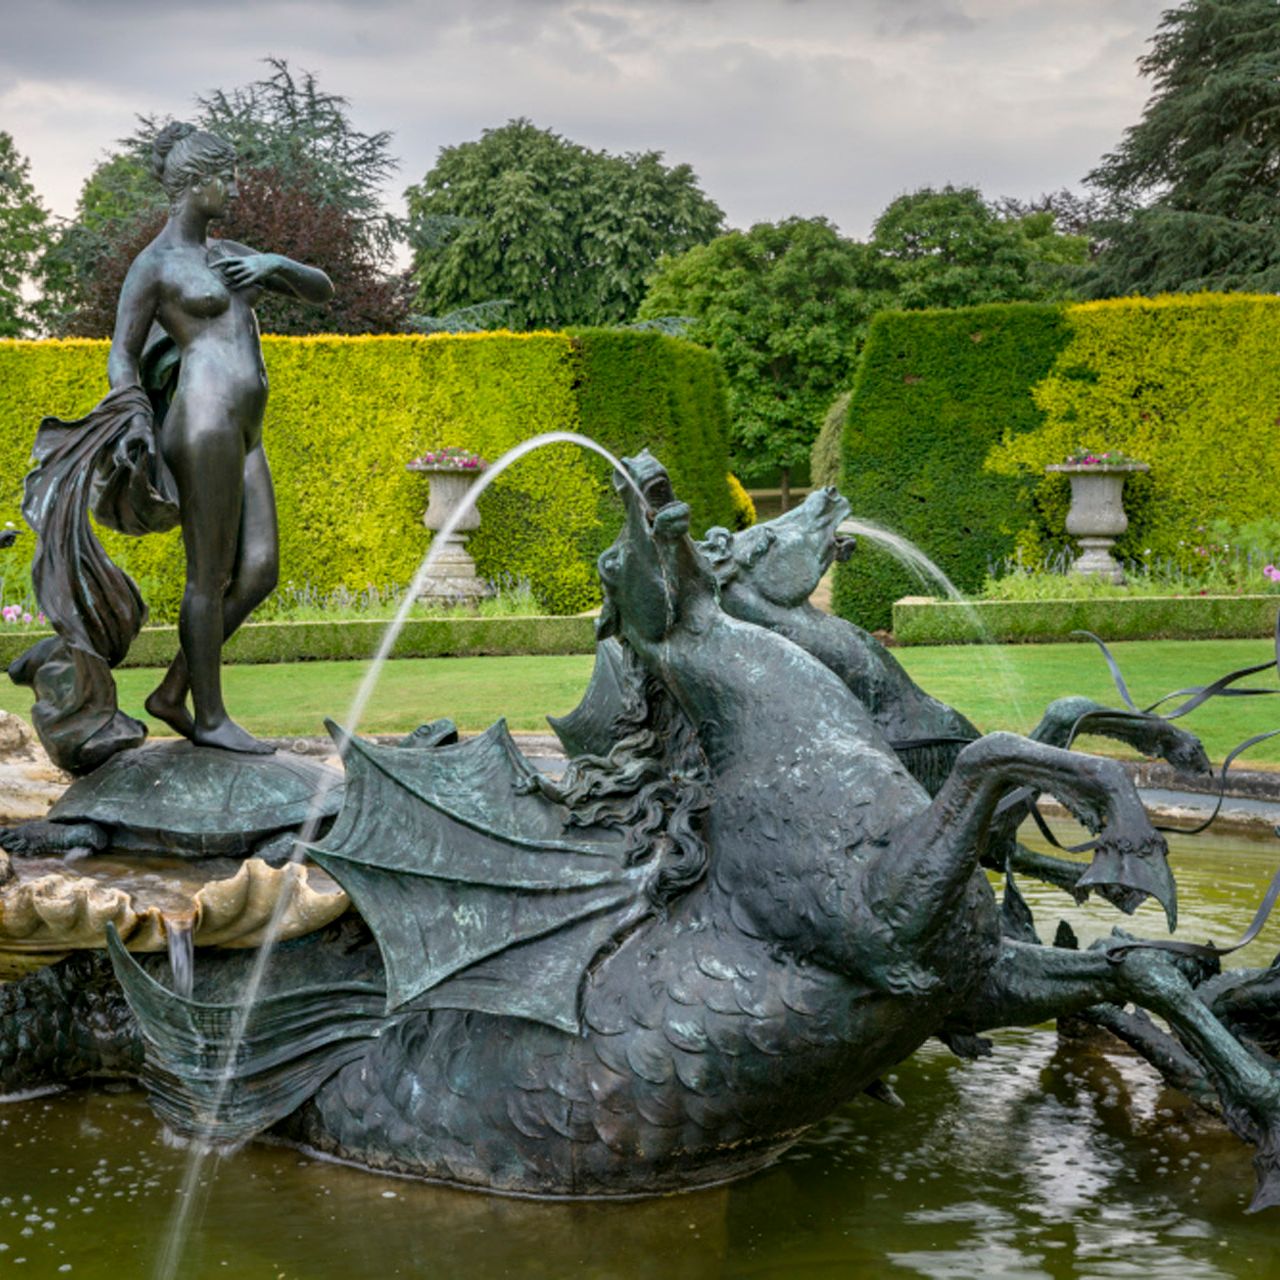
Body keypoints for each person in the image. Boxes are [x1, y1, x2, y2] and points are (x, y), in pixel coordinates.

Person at [107, 122, 334, 754]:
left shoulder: (230, 251)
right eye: (224, 178)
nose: (234, 188)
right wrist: (132, 415)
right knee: (207, 577)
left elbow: (322, 290)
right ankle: (209, 717)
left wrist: (275, 264)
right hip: (203, 422)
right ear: (192, 184)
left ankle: (172, 693)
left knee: (259, 572)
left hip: (247, 428)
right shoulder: (154, 266)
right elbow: (122, 355)